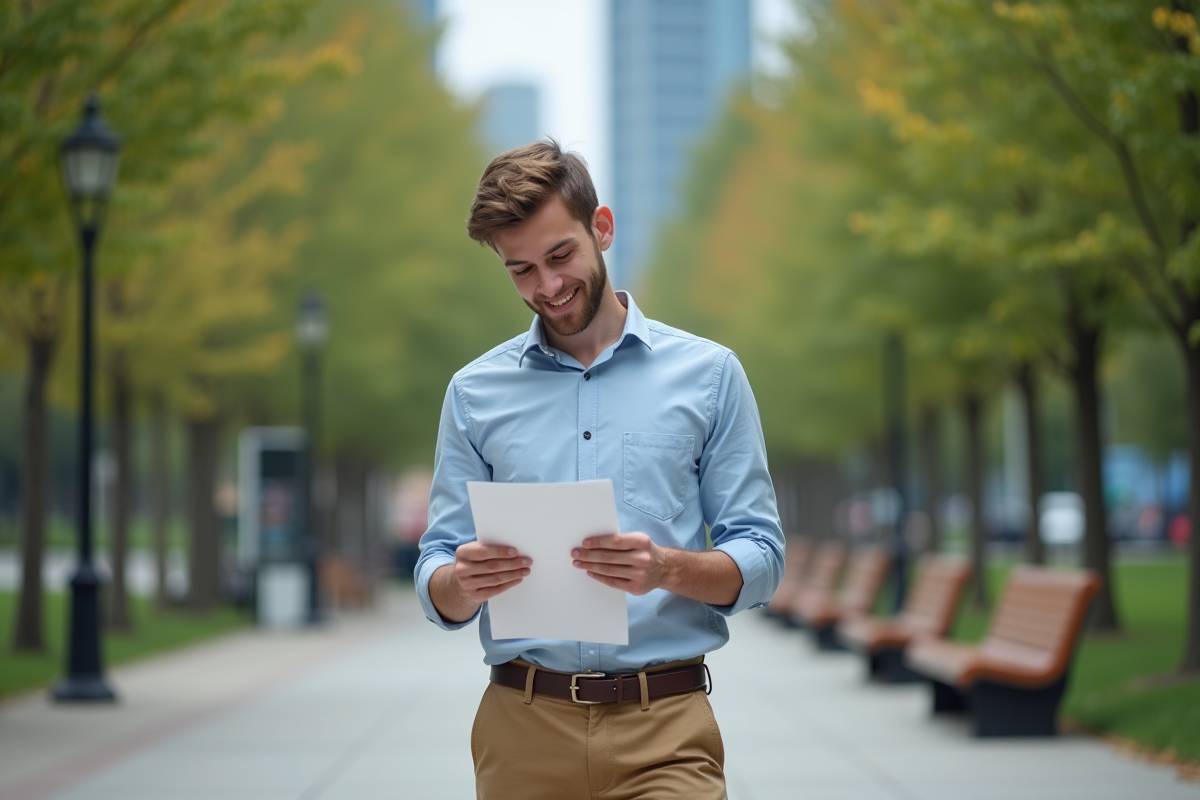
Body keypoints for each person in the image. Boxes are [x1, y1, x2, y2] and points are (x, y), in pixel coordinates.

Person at [415, 140, 784, 800]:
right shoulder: (473, 394)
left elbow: (760, 557)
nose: (548, 287)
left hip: (665, 726)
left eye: (561, 255)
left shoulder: (710, 376)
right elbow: (436, 567)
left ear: (602, 227)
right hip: (522, 729)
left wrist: (668, 568)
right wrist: (462, 583)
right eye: (521, 270)